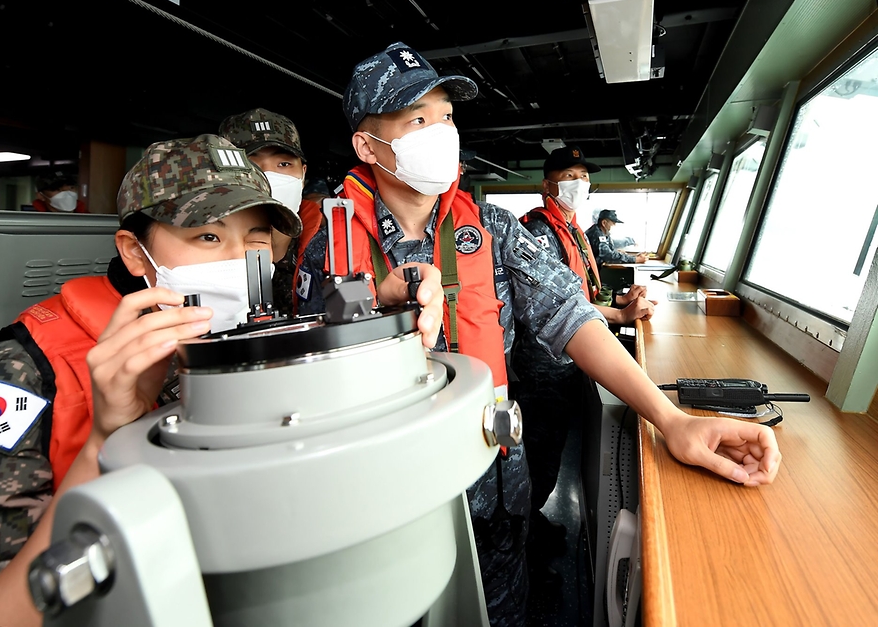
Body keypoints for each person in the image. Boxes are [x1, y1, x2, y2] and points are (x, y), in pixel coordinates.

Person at [296, 42, 781, 627]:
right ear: (367, 145)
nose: (441, 131)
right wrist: (377, 299)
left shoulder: (495, 230)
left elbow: (571, 318)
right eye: (416, 119)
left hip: (494, 481)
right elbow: (303, 365)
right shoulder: (326, 250)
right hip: (384, 499)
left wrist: (672, 420)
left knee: (503, 611)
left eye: (445, 115)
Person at [0, 134, 302, 626]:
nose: (237, 260)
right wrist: (104, 440)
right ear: (137, 254)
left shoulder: (262, 337)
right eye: (208, 236)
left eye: (255, 240)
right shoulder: (23, 369)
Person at [513, 145, 655, 593]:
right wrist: (619, 318)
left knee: (551, 453)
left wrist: (616, 304)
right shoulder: (538, 231)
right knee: (538, 456)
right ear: (548, 185)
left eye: (584, 175)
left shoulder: (572, 231)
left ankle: (533, 525)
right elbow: (557, 305)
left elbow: (579, 290)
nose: (580, 183)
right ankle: (521, 550)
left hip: (567, 361)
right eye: (570, 175)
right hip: (543, 367)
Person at [219, 108, 321, 317]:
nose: (267, 177)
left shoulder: (330, 243)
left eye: (283, 164)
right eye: (251, 165)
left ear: (302, 175)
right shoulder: (204, 252)